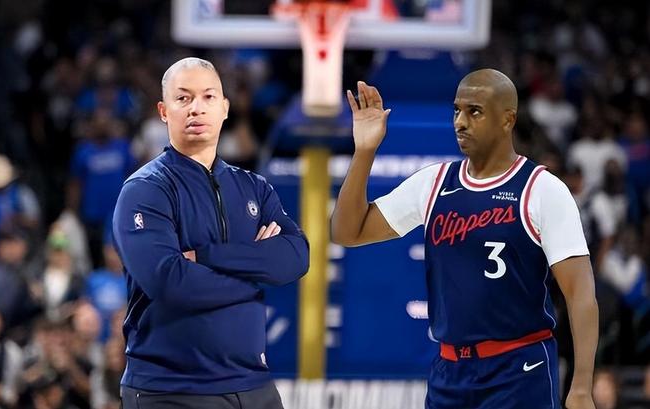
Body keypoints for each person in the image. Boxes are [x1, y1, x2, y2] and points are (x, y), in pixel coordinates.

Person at [331, 71, 599, 409]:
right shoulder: (434, 183)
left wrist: (581, 386)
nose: (460, 121)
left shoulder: (543, 189)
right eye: (457, 110)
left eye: (475, 112)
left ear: (507, 120)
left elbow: (580, 294)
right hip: (450, 372)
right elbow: (347, 232)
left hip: (519, 368)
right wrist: (364, 151)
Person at [112, 57, 309, 409]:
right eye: (183, 98)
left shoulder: (254, 187)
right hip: (172, 391)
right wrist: (255, 272)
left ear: (225, 108)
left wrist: (207, 257)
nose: (196, 108)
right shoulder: (145, 190)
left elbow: (296, 256)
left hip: (254, 386)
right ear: (163, 111)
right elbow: (171, 283)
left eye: (208, 97)